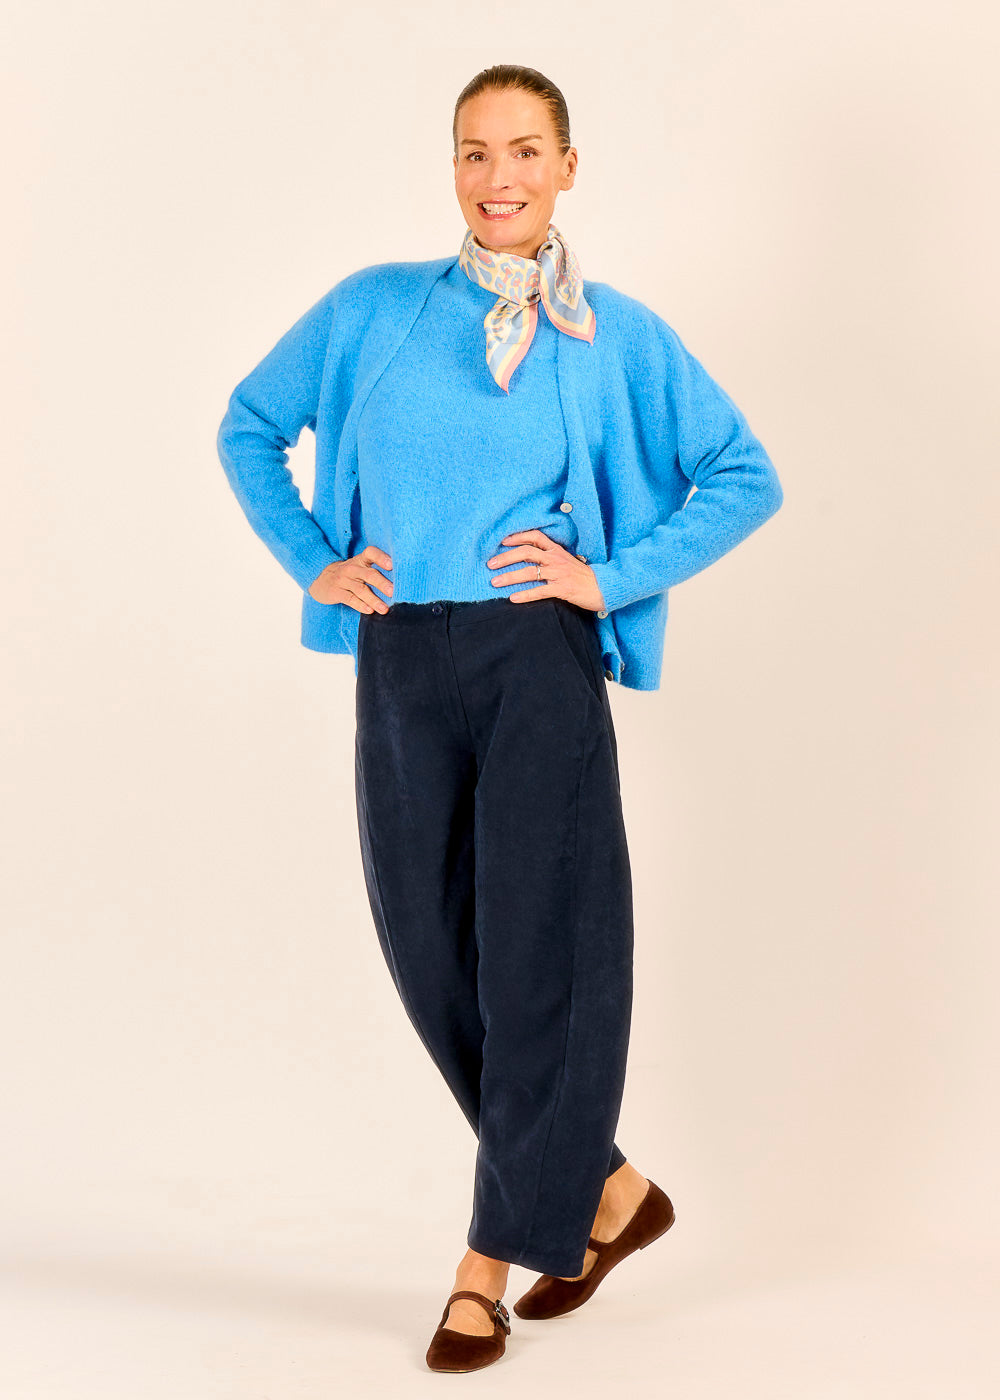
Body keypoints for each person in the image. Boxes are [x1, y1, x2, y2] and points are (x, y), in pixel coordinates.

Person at [216, 64, 783, 1375]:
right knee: (428, 945)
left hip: (537, 657)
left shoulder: (616, 335)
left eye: (526, 150)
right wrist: (314, 560)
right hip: (401, 652)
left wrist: (608, 578)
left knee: (539, 956)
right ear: (454, 169)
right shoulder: (373, 310)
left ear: (568, 167)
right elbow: (251, 424)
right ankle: (607, 1188)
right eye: (476, 152)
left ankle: (489, 1261)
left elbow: (742, 475)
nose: (499, 176)